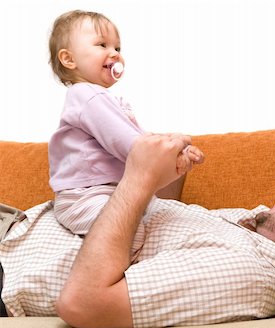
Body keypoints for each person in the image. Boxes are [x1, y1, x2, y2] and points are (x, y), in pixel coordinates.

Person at [0, 133, 275, 328]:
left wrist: (137, 180)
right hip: (13, 222)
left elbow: (84, 304)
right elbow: (156, 227)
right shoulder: (258, 227)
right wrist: (169, 175)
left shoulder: (245, 273)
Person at [47, 10, 204, 258]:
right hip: (83, 198)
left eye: (117, 47)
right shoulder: (86, 95)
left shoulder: (105, 99)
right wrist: (169, 152)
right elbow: (129, 145)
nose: (115, 53)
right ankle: (118, 280)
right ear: (68, 59)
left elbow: (136, 137)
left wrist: (174, 150)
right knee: (133, 235)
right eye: (101, 45)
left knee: (166, 217)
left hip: (112, 193)